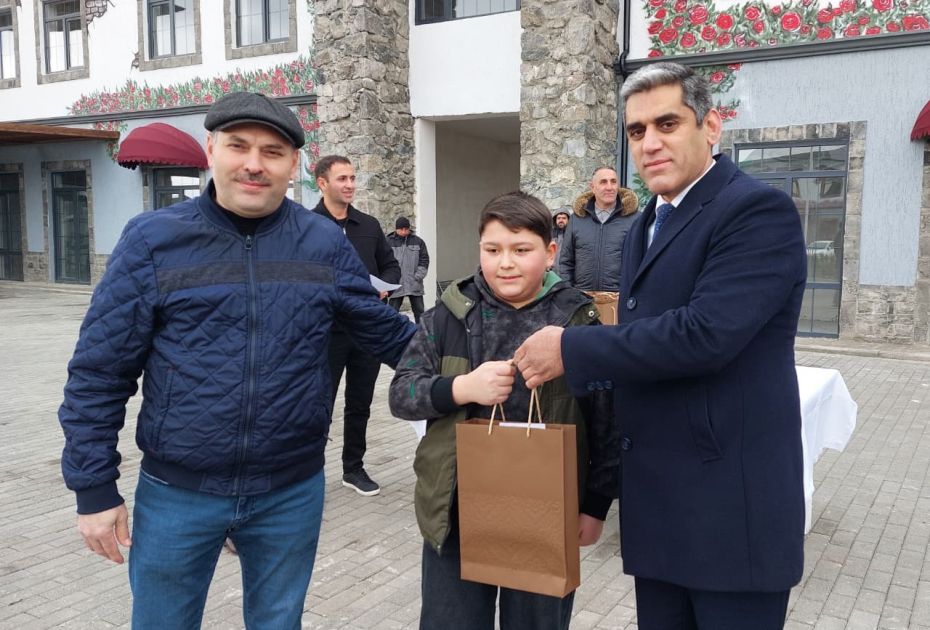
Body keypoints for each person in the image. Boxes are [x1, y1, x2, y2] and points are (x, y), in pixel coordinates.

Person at [58, 92, 417, 629]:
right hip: (177, 494)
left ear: (293, 164)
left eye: (272, 152)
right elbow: (99, 372)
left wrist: (478, 361)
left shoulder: (321, 242)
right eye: (238, 146)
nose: (254, 163)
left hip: (290, 492)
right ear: (211, 150)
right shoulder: (153, 240)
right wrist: (93, 489)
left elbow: (384, 331)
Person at [514, 61, 807, 629]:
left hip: (728, 515)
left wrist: (572, 350)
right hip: (661, 511)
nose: (649, 143)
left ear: (711, 126)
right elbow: (643, 347)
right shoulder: (650, 220)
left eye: (667, 124)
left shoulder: (754, 210)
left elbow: (705, 334)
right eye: (637, 130)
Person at [389, 191, 619, 630]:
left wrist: (595, 504)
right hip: (456, 510)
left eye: (521, 250)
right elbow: (401, 394)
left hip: (546, 512)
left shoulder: (578, 320)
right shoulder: (448, 316)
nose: (506, 263)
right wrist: (460, 388)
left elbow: (606, 420)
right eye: (493, 250)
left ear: (550, 253)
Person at [313, 155, 401, 497]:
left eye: (352, 178)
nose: (350, 184)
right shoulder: (306, 226)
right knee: (318, 405)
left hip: (367, 331)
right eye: (342, 179)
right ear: (322, 183)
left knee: (360, 403)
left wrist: (384, 287)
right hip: (325, 333)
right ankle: (309, 473)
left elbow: (391, 266)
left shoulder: (369, 225)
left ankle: (353, 469)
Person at [558, 166, 638, 324]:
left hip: (620, 305)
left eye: (613, 182)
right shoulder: (577, 220)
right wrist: (570, 296)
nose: (610, 187)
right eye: (603, 182)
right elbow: (566, 261)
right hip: (582, 304)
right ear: (592, 187)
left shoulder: (634, 219)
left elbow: (640, 262)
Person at [387, 215, 430, 324]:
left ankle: (421, 332)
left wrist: (418, 276)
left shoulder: (418, 241)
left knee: (420, 312)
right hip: (397, 284)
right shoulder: (388, 242)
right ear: (396, 229)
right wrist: (390, 278)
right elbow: (384, 261)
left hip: (414, 282)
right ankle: (392, 332)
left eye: (406, 229)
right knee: (392, 312)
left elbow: (424, 259)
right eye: (401, 229)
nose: (404, 231)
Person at [550, 207, 570, 277]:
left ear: (568, 220)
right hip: (552, 275)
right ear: (555, 220)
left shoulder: (572, 235)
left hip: (567, 275)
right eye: (558, 218)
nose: (561, 220)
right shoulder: (550, 235)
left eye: (564, 218)